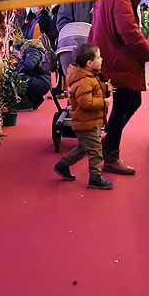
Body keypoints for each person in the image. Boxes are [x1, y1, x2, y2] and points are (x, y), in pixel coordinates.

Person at [89, 0, 149, 175]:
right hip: (118, 60)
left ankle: (107, 144)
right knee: (124, 104)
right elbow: (128, 31)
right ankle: (110, 154)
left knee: (132, 101)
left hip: (110, 56)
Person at [53, 42, 114, 190]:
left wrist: (105, 87)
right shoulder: (84, 81)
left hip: (87, 122)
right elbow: (86, 102)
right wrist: (104, 102)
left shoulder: (89, 77)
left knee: (82, 148)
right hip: (87, 122)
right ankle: (95, 178)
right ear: (89, 63)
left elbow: (93, 89)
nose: (102, 60)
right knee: (95, 151)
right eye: (98, 57)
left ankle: (62, 165)